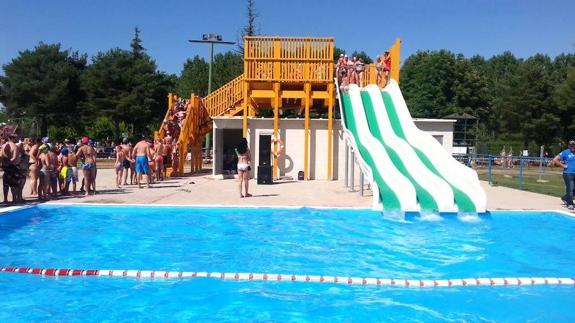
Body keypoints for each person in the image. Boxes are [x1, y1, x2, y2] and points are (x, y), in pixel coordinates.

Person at [553, 141, 575, 210]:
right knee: (570, 189)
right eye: (571, 146)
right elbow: (555, 160)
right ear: (568, 146)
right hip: (568, 173)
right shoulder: (565, 152)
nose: (573, 147)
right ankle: (570, 203)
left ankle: (565, 198)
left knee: (574, 191)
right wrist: (563, 165)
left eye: (574, 146)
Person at [1, 134, 23, 203]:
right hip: (13, 166)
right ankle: (14, 199)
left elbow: (1, 156)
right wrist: (10, 162)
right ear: (13, 138)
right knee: (14, 184)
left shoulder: (3, 145)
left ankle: (5, 199)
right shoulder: (14, 146)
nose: (16, 139)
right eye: (16, 138)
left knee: (6, 184)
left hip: (6, 167)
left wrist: (4, 163)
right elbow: (13, 158)